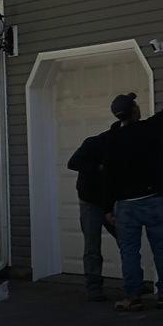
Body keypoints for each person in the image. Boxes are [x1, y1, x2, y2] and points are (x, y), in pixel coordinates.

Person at [101, 68, 163, 311]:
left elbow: (109, 177)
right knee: (161, 249)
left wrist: (107, 208)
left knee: (129, 252)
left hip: (126, 205)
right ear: (135, 111)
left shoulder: (112, 140)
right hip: (154, 200)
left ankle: (133, 297)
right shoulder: (152, 128)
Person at [67, 121, 120, 301]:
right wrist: (98, 168)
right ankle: (93, 287)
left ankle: (133, 281)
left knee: (126, 240)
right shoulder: (93, 143)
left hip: (111, 202)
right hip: (90, 201)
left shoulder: (121, 149)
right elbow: (72, 163)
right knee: (92, 245)